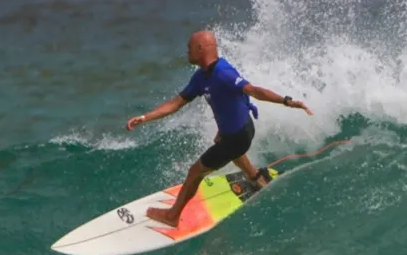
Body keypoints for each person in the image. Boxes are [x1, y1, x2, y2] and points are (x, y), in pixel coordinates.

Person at [126, 30, 313, 226]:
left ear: (200, 49)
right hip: (235, 131)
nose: (187, 51)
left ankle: (172, 216)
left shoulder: (223, 73)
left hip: (239, 135)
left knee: (195, 172)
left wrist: (287, 101)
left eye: (189, 48)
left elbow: (254, 91)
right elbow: (176, 103)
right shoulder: (201, 77)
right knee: (226, 145)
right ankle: (256, 178)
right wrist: (145, 117)